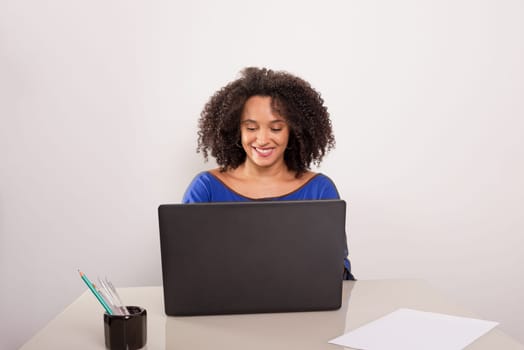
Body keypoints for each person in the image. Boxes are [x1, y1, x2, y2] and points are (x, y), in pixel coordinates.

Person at [182, 67, 355, 280]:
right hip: (223, 310)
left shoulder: (319, 189)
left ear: (294, 131)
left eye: (275, 128)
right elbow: (187, 267)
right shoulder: (206, 187)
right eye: (251, 128)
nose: (262, 140)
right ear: (237, 130)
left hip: (302, 309)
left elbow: (337, 274)